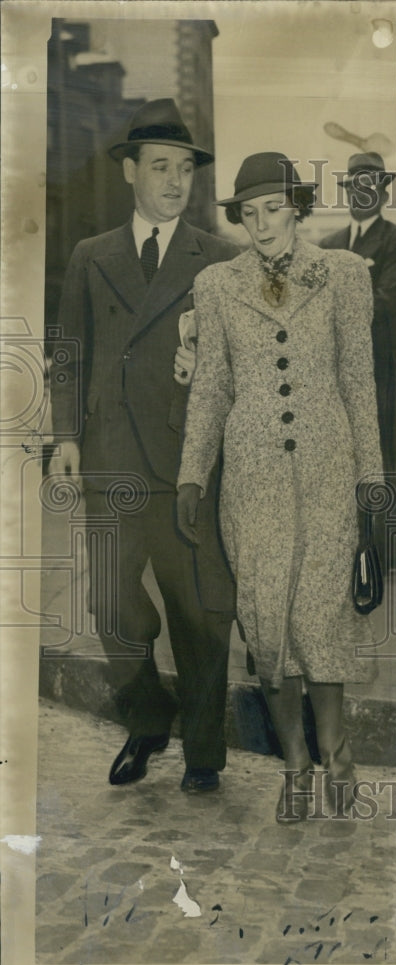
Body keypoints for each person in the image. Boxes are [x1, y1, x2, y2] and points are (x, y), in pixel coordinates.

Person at [175, 151, 383, 823]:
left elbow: (359, 381)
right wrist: (192, 473)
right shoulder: (215, 285)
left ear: (297, 207)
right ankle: (294, 764)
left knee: (320, 619)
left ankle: (336, 751)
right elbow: (211, 387)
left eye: (272, 208)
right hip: (253, 478)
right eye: (248, 212)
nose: (261, 223)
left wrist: (372, 479)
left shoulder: (344, 274)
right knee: (269, 627)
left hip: (328, 470)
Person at [48, 99, 240, 793]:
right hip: (111, 457)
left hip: (188, 460)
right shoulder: (90, 255)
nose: (175, 181)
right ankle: (150, 717)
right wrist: (65, 435)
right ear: (130, 171)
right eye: (160, 166)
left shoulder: (218, 258)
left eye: (185, 168)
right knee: (109, 603)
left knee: (200, 611)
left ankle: (203, 752)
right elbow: (69, 353)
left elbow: (240, 361)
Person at [319, 152, 396, 571]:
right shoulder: (329, 244)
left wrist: (332, 308)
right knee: (352, 453)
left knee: (387, 453)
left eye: (370, 188)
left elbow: (385, 300)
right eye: (353, 188)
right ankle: (383, 545)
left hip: (390, 364)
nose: (361, 196)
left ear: (382, 193)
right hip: (345, 367)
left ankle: (380, 547)